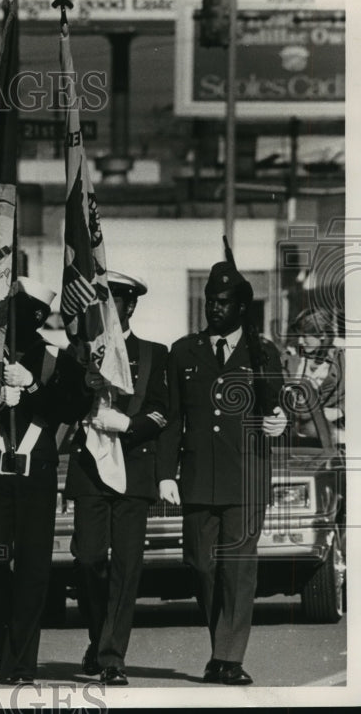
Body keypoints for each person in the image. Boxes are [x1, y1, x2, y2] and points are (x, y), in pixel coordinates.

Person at [156, 256, 287, 685]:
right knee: (199, 564)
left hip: (246, 476)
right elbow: (173, 418)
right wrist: (165, 473)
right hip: (196, 477)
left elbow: (275, 408)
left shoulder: (262, 351)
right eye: (211, 300)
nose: (215, 308)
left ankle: (228, 658)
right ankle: (221, 647)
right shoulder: (183, 351)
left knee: (237, 568)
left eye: (224, 301)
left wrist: (279, 421)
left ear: (241, 307)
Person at [0, 276, 92, 684]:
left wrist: (34, 387)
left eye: (25, 312)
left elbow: (76, 405)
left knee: (33, 571)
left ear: (38, 316)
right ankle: (5, 641)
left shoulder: (57, 358)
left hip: (35, 475)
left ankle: (20, 662)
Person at [65, 271, 168, 686]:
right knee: (88, 559)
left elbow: (162, 412)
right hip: (91, 469)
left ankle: (112, 657)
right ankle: (98, 636)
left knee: (126, 567)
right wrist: (83, 387)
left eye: (117, 302)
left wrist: (127, 424)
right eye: (103, 301)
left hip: (134, 469)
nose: (109, 309)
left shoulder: (153, 354)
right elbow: (64, 407)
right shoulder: (80, 353)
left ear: (130, 307)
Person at [281, 308, 344, 449]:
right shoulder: (290, 358)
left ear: (322, 335)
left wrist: (340, 411)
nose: (300, 341)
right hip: (292, 438)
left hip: (330, 440)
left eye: (305, 336)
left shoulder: (341, 360)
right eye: (298, 335)